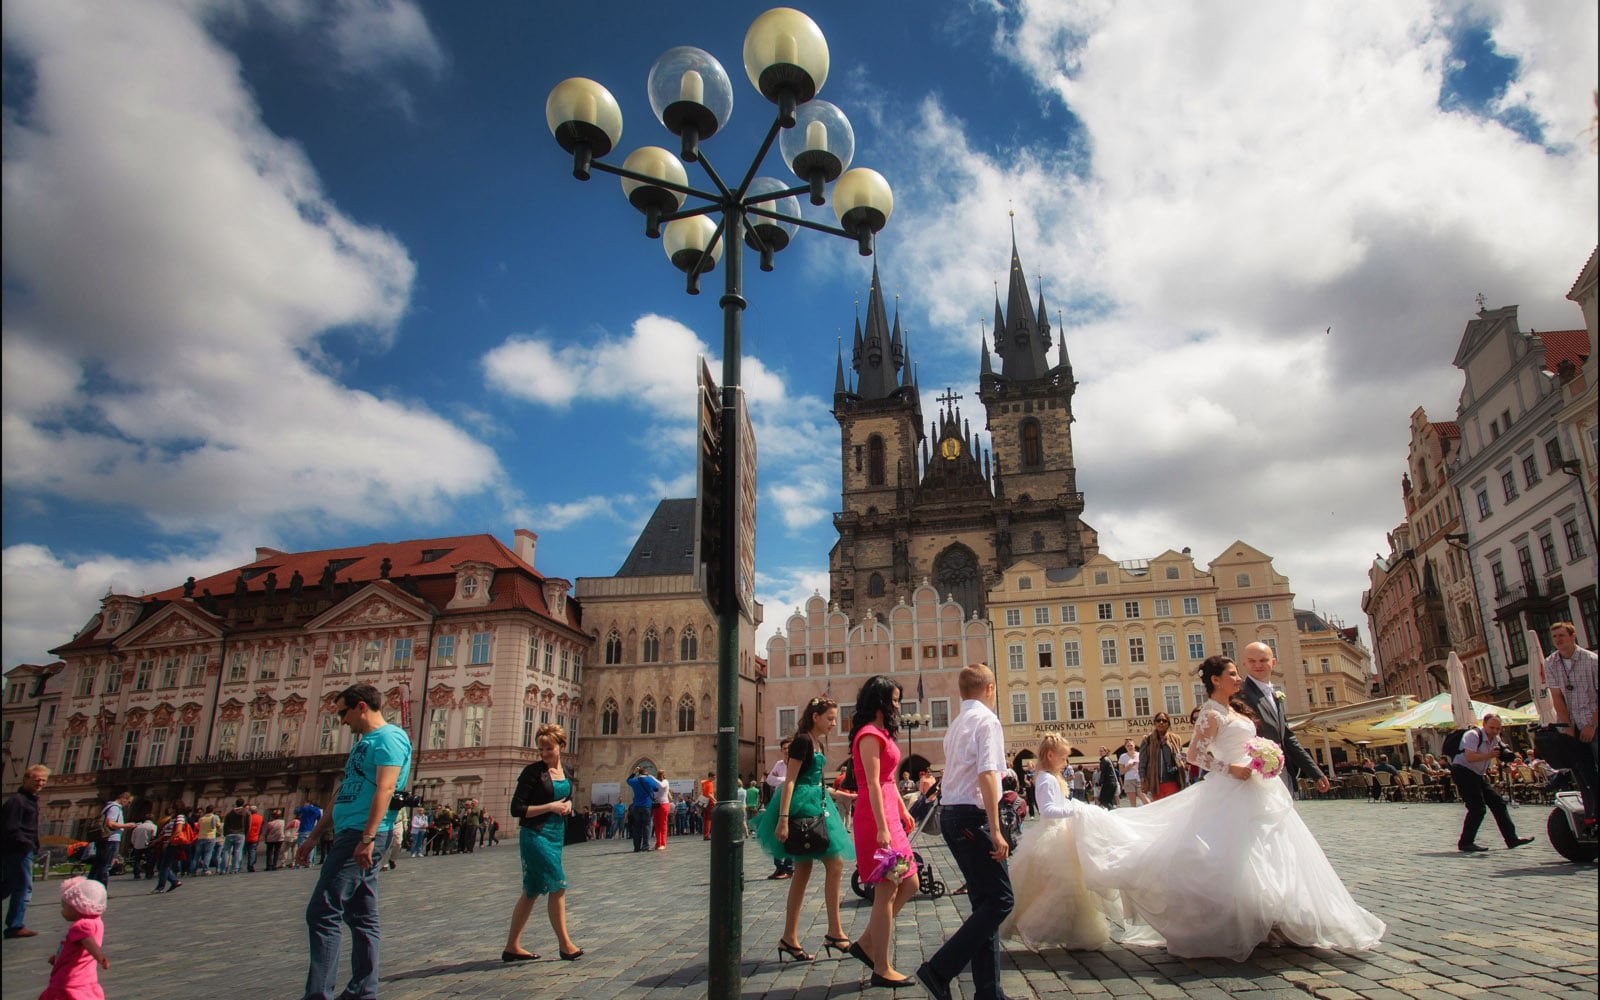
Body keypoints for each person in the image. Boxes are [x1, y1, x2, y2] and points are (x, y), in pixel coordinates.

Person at [1071, 655, 1385, 961]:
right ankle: (1247, 917)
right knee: (1231, 854)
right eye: (1232, 674)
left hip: (1259, 787)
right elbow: (1195, 755)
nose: (1238, 679)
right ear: (1215, 680)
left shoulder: (1233, 709)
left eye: (1237, 673)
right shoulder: (1210, 713)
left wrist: (1265, 756)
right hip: (1231, 789)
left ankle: (1276, 918)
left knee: (1271, 850)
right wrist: (1230, 768)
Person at [294, 683, 413, 1000]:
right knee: (361, 917)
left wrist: (368, 837)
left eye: (343, 713)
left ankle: (319, 994)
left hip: (362, 833)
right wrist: (315, 836)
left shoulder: (389, 738)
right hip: (351, 832)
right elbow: (344, 792)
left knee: (323, 911)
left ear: (361, 706)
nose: (341, 721)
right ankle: (363, 990)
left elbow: (385, 790)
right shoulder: (365, 743)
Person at [917, 664, 1014, 1000]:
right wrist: (997, 829)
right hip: (972, 818)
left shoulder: (957, 724)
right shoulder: (987, 721)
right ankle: (939, 968)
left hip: (952, 817)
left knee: (984, 904)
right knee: (1001, 900)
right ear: (989, 688)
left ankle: (989, 993)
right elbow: (989, 774)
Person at [752, 696, 855, 963]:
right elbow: (790, 782)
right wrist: (783, 818)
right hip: (801, 806)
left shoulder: (817, 742)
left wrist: (843, 795)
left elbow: (817, 781)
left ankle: (792, 937)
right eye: (830, 718)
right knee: (831, 864)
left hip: (817, 803)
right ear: (815, 717)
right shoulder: (801, 741)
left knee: (808, 869)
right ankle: (831, 932)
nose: (834, 723)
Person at [1001, 734, 1110, 951]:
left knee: (1074, 887)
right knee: (1063, 887)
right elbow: (1048, 810)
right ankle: (1032, 927)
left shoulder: (1051, 778)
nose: (1065, 762)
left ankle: (1076, 933)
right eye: (1063, 758)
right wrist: (1078, 809)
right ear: (1050, 756)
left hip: (1062, 834)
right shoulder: (1046, 779)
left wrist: (1075, 806)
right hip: (1053, 837)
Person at [846, 675, 918, 988]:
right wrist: (883, 827)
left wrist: (901, 809)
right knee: (887, 890)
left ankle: (865, 943)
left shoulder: (882, 733)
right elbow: (873, 783)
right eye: (895, 700)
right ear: (880, 703)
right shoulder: (868, 735)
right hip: (876, 820)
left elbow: (888, 780)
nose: (898, 706)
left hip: (889, 813)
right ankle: (881, 966)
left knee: (910, 882)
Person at [503, 723, 583, 962]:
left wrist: (568, 805)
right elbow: (516, 809)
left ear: (561, 746)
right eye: (541, 749)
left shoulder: (566, 770)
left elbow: (565, 796)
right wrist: (550, 807)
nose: (545, 753)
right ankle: (565, 944)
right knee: (558, 886)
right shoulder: (532, 772)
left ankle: (512, 947)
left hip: (555, 834)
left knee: (531, 891)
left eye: (549, 748)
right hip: (535, 835)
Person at [1238, 642, 1330, 795]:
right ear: (1244, 663)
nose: (1258, 665)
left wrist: (1315, 772)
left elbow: (1287, 737)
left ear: (1273, 662)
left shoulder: (1275, 695)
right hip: (1256, 774)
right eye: (1252, 661)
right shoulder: (1240, 694)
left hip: (1282, 771)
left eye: (1263, 660)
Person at [1449, 713, 1534, 853]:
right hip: (1463, 771)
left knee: (1498, 804)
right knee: (1477, 808)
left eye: (1498, 728)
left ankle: (1512, 839)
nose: (1495, 731)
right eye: (1492, 727)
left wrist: (1504, 764)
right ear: (1484, 724)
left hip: (1477, 774)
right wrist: (1490, 756)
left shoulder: (1496, 739)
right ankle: (1465, 842)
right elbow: (1469, 757)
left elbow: (1498, 754)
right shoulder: (1472, 735)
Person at [1544, 621, 1597, 824]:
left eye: (1561, 635)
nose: (1558, 640)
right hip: (1572, 726)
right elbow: (1557, 697)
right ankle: (1592, 814)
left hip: (1593, 722)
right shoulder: (1551, 663)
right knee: (1583, 773)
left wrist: (1592, 725)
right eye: (1555, 636)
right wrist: (1567, 726)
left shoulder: (1591, 660)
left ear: (1572, 636)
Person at [40, 876, 110, 1000]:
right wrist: (58, 957)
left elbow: (88, 941)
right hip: (86, 977)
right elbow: (76, 948)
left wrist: (100, 956)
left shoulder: (80, 925)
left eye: (64, 907)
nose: (62, 911)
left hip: (70, 978)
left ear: (76, 907)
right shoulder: (97, 922)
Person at [2, 764, 48, 939]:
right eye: (37, 780)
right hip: (17, 850)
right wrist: (27, 844)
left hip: (21, 849)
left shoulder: (30, 801)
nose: (41, 783)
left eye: (43, 780)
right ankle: (15, 926)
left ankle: (15, 924)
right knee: (23, 887)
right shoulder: (17, 801)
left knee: (7, 886)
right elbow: (11, 828)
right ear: (26, 779)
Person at [763, 740, 796, 880]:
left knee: (790, 835)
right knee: (776, 835)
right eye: (784, 748)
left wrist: (782, 779)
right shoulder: (779, 764)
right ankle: (779, 866)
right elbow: (769, 780)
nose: (787, 750)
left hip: (793, 802)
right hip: (778, 802)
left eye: (789, 747)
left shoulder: (796, 763)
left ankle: (789, 868)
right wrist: (785, 780)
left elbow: (796, 780)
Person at [1139, 714, 1188, 801]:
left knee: (1172, 807)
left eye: (1164, 721)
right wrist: (1142, 780)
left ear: (1168, 724)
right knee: (1159, 809)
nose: (1161, 723)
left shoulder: (1175, 738)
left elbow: (1179, 756)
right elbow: (1142, 761)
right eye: (1158, 720)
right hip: (1155, 782)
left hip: (1172, 780)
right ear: (1154, 723)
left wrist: (1183, 764)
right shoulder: (1147, 739)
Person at [88, 791, 134, 885]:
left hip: (106, 838)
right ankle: (101, 889)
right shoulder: (115, 808)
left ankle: (89, 886)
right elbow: (111, 823)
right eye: (128, 802)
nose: (128, 805)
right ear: (123, 799)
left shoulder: (108, 806)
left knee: (98, 864)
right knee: (105, 865)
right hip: (110, 838)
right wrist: (127, 825)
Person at [625, 768, 660, 853]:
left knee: (637, 827)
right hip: (647, 806)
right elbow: (656, 788)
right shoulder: (649, 780)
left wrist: (634, 772)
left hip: (636, 806)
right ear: (646, 773)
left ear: (639, 773)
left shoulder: (635, 781)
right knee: (647, 826)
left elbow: (628, 780)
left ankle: (636, 847)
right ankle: (645, 846)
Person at [221, 799, 249, 874]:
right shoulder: (246, 812)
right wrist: (245, 833)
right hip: (240, 833)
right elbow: (248, 824)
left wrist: (225, 833)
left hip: (229, 833)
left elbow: (226, 824)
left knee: (226, 851)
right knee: (238, 851)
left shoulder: (230, 813)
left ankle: (223, 869)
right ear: (243, 804)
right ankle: (235, 869)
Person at [128, 813, 159, 880]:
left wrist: (135, 844)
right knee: (149, 860)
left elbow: (132, 839)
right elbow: (153, 836)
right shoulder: (154, 826)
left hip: (137, 846)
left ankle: (136, 874)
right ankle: (149, 874)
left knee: (137, 861)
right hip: (148, 845)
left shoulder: (137, 827)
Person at [1117, 739, 1146, 807]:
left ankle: (1152, 812)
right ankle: (1135, 816)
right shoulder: (1123, 756)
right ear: (1125, 747)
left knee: (1144, 798)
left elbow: (1145, 767)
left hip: (1139, 779)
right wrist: (1129, 766)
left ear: (1134, 746)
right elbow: (1121, 772)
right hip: (1129, 780)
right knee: (1133, 803)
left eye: (1131, 745)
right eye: (1128, 746)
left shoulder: (1139, 755)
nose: (1130, 747)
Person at [652, 770, 672, 851]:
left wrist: (653, 778)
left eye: (661, 774)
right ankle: (658, 843)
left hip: (664, 804)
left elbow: (662, 786)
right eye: (659, 774)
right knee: (657, 825)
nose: (660, 775)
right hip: (656, 805)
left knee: (663, 824)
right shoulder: (656, 783)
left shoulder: (665, 781)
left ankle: (663, 843)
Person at [699, 772, 716, 840]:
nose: (715, 778)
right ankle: (707, 835)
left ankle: (705, 835)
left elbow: (701, 782)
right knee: (709, 819)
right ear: (710, 777)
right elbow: (709, 794)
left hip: (704, 802)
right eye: (714, 777)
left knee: (706, 820)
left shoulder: (704, 783)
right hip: (710, 803)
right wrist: (715, 800)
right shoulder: (710, 784)